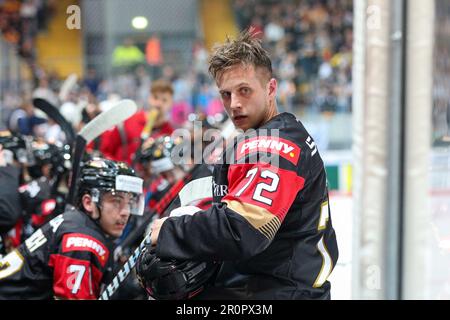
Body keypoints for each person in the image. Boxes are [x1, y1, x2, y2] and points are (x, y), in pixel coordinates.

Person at [137, 30, 339, 300]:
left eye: (244, 90)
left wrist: (171, 232)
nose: (234, 104)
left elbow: (243, 229)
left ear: (271, 88)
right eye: (226, 94)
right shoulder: (273, 135)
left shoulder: (275, 145)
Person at [0, 158, 144, 299]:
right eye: (116, 201)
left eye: (129, 202)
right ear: (88, 202)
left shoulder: (77, 223)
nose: (126, 211)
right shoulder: (81, 241)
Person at [99, 79, 175, 165]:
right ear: (149, 98)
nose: (158, 103)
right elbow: (105, 150)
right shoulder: (129, 122)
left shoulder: (169, 133)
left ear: (171, 103)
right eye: (155, 97)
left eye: (164, 100)